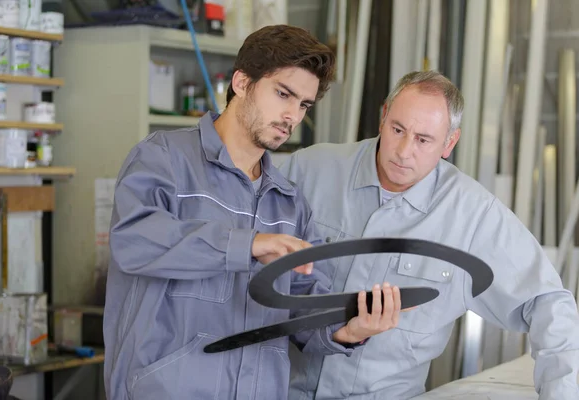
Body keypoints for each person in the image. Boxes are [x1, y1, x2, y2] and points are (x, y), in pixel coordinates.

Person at [103, 24, 404, 400]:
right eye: (283, 94)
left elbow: (303, 310)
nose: (292, 115)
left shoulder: (290, 203)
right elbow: (134, 242)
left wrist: (348, 330)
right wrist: (247, 245)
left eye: (304, 104)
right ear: (242, 82)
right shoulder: (164, 158)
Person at [278, 70, 579, 399]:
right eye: (398, 130)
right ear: (383, 117)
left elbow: (547, 303)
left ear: (449, 143)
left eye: (423, 140)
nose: (404, 151)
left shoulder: (473, 218)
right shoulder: (309, 171)